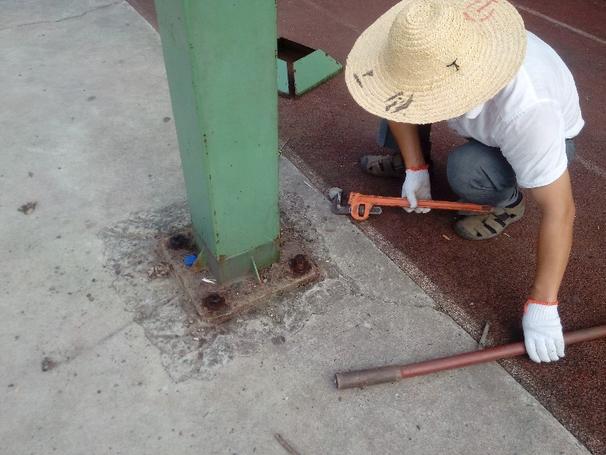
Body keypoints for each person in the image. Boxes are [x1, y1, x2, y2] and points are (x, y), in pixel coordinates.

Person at [344, 0, 584, 363]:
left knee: (467, 170)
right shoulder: (438, 39)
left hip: (538, 139)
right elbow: (393, 96)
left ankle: (507, 202)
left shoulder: (528, 113)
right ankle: (410, 157)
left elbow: (560, 210)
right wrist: (415, 168)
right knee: (390, 90)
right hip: (481, 109)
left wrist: (543, 304)